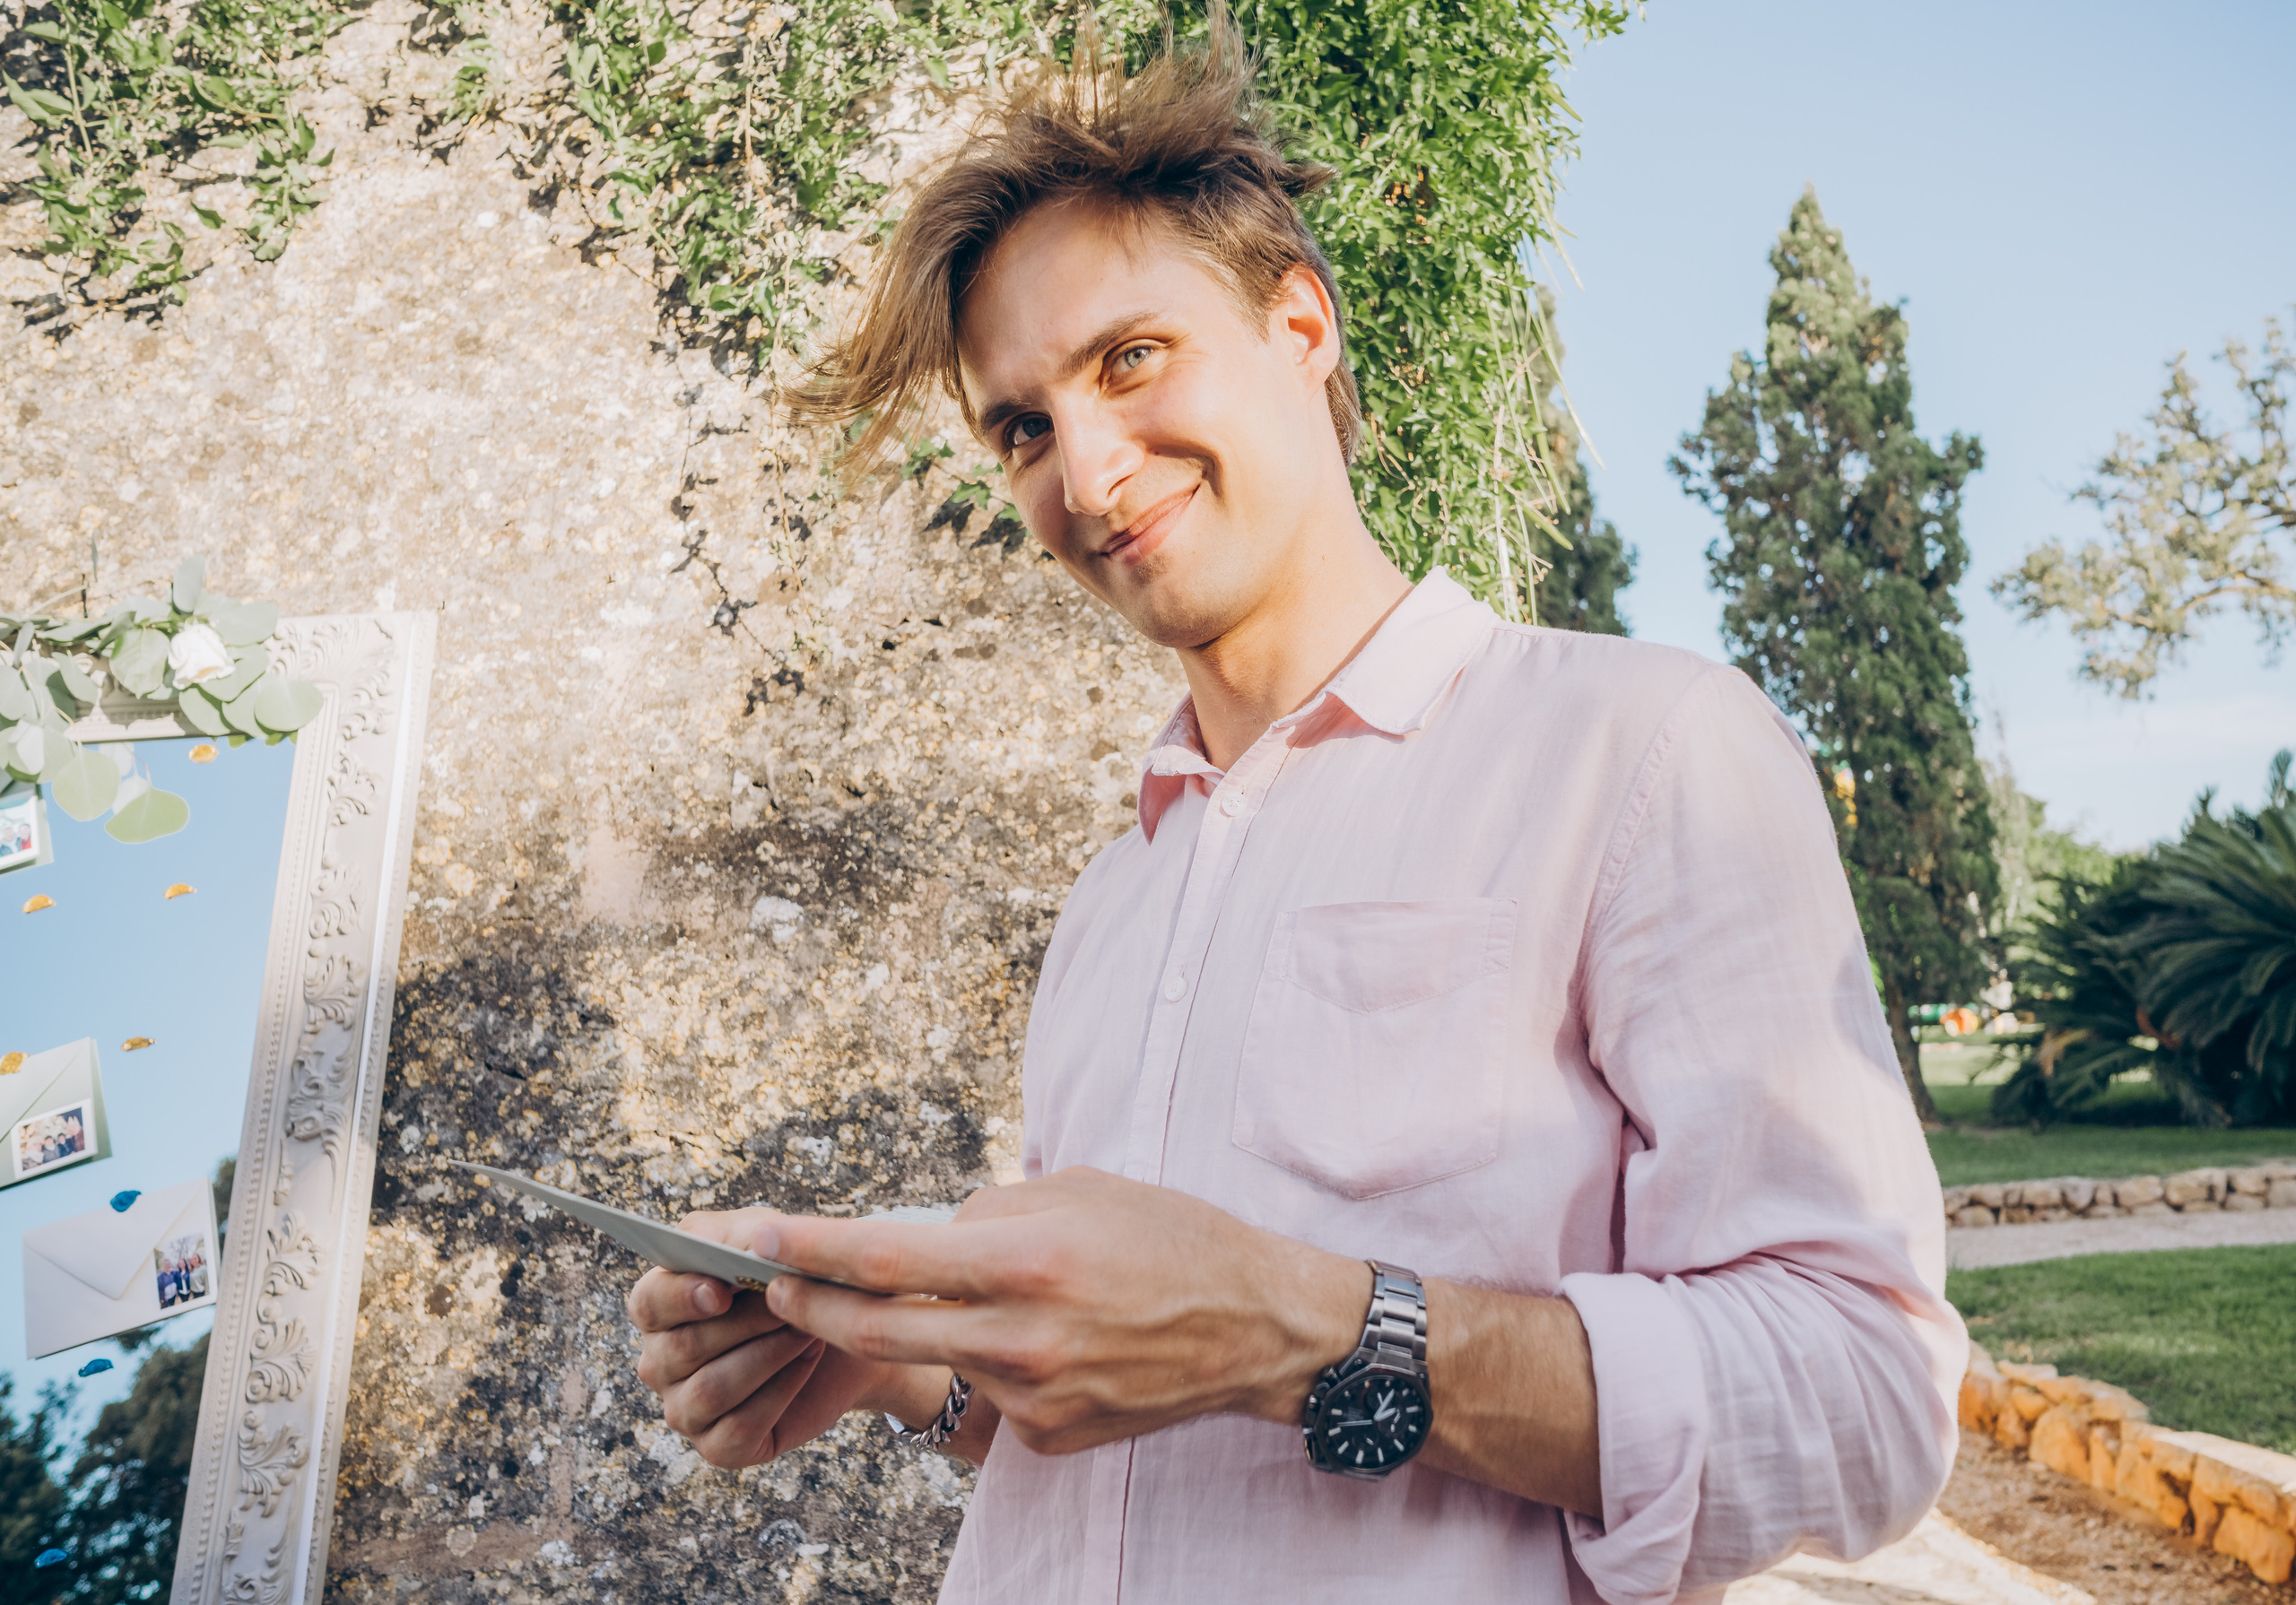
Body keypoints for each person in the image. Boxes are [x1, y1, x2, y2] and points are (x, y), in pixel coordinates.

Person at [628, 13, 1963, 1601]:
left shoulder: (1649, 747)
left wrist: (1303, 1330)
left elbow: (1864, 1399)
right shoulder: (1118, 889)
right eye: (1024, 427)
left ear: (1303, 324)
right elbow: (1127, 1416)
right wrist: (898, 1362)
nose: (1090, 468)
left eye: (1131, 358)